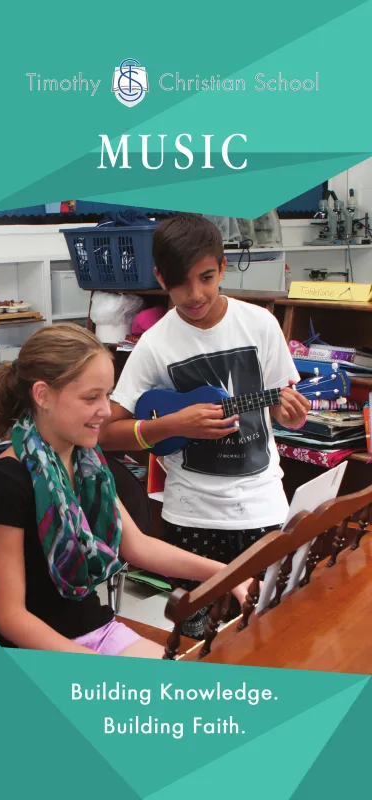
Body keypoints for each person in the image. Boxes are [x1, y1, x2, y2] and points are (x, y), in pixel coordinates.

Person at [0, 323, 246, 659]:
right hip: (39, 650)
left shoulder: (86, 460)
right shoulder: (7, 481)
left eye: (108, 394)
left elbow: (137, 547)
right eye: (92, 397)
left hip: (97, 630)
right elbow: (11, 618)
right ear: (42, 395)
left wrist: (227, 573)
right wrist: (97, 669)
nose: (106, 411)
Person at [101, 214, 310, 639]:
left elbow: (286, 409)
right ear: (160, 277)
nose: (195, 294)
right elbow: (106, 433)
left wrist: (292, 415)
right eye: (180, 282)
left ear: (223, 266)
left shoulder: (260, 325)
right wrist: (171, 425)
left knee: (273, 630)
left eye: (207, 277)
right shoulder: (156, 343)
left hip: (264, 510)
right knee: (195, 637)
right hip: (190, 517)